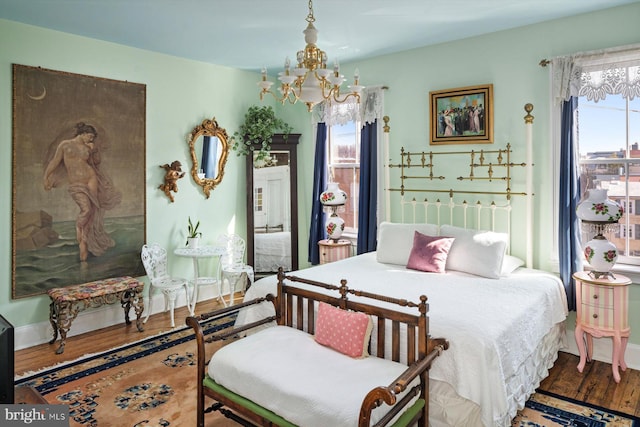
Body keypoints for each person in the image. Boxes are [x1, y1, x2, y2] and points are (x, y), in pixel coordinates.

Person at [43, 122, 121, 262]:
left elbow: (96, 163)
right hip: (76, 182)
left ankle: (87, 238)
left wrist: (94, 150)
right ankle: (80, 230)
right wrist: (46, 177)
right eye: (89, 136)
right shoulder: (65, 145)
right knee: (85, 209)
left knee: (93, 208)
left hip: (91, 178)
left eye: (92, 138)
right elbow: (55, 161)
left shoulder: (88, 147)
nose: (91, 139)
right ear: (83, 133)